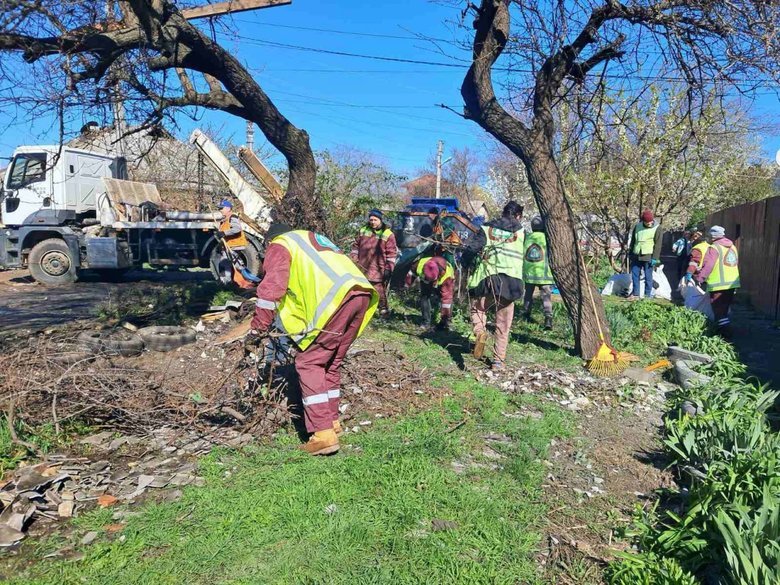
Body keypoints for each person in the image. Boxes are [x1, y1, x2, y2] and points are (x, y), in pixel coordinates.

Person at [250, 223, 378, 455]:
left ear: (269, 241)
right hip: (360, 293)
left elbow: (271, 290)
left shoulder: (281, 244)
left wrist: (258, 328)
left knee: (309, 362)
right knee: (330, 363)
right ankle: (332, 422)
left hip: (335, 300)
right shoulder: (310, 238)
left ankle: (322, 433)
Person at [464, 200, 525, 370]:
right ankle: (498, 361)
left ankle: (479, 332)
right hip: (512, 284)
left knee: (478, 308)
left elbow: (471, 250)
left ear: (503, 212)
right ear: (518, 216)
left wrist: (464, 263)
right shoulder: (522, 233)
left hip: (488, 281)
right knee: (503, 324)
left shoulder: (487, 228)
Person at [692, 225, 740, 335]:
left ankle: (724, 334)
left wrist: (700, 278)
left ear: (713, 237)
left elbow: (709, 265)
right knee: (725, 308)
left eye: (709, 236)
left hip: (718, 284)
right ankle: (723, 330)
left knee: (719, 310)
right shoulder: (732, 247)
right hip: (732, 284)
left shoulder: (714, 248)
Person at [350, 209, 397, 318]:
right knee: (361, 291)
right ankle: (361, 313)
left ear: (380, 220)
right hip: (361, 267)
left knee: (379, 292)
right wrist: (353, 259)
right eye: (371, 219)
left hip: (378, 269)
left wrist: (389, 269)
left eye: (375, 220)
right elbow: (355, 246)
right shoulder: (363, 230)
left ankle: (384, 313)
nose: (372, 222)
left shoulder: (388, 234)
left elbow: (392, 254)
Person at [523, 216, 554, 330]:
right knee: (546, 297)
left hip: (530, 273)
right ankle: (548, 318)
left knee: (528, 296)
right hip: (544, 274)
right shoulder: (548, 238)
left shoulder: (527, 238)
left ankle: (526, 314)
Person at [627, 209, 663, 299]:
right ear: (643, 221)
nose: (649, 223)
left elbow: (658, 244)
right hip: (636, 254)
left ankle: (647, 295)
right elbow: (633, 241)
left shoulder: (657, 228)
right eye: (647, 222)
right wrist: (631, 253)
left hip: (649, 256)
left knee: (648, 276)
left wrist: (655, 258)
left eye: (651, 222)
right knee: (635, 274)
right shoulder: (637, 226)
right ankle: (635, 294)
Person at [414, 255, 455, 331]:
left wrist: (445, 316)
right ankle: (426, 323)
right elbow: (412, 273)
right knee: (425, 296)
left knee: (446, 301)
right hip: (425, 277)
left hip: (442, 281)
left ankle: (446, 321)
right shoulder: (420, 264)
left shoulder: (447, 276)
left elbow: (446, 300)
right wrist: (406, 284)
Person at [214, 199, 248, 284]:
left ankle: (227, 282)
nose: (220, 210)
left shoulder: (233, 217)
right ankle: (245, 278)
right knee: (235, 264)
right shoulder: (225, 220)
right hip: (230, 245)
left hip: (235, 245)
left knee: (225, 262)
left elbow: (237, 229)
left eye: (222, 208)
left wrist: (224, 233)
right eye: (219, 208)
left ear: (228, 208)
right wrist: (220, 244)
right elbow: (223, 237)